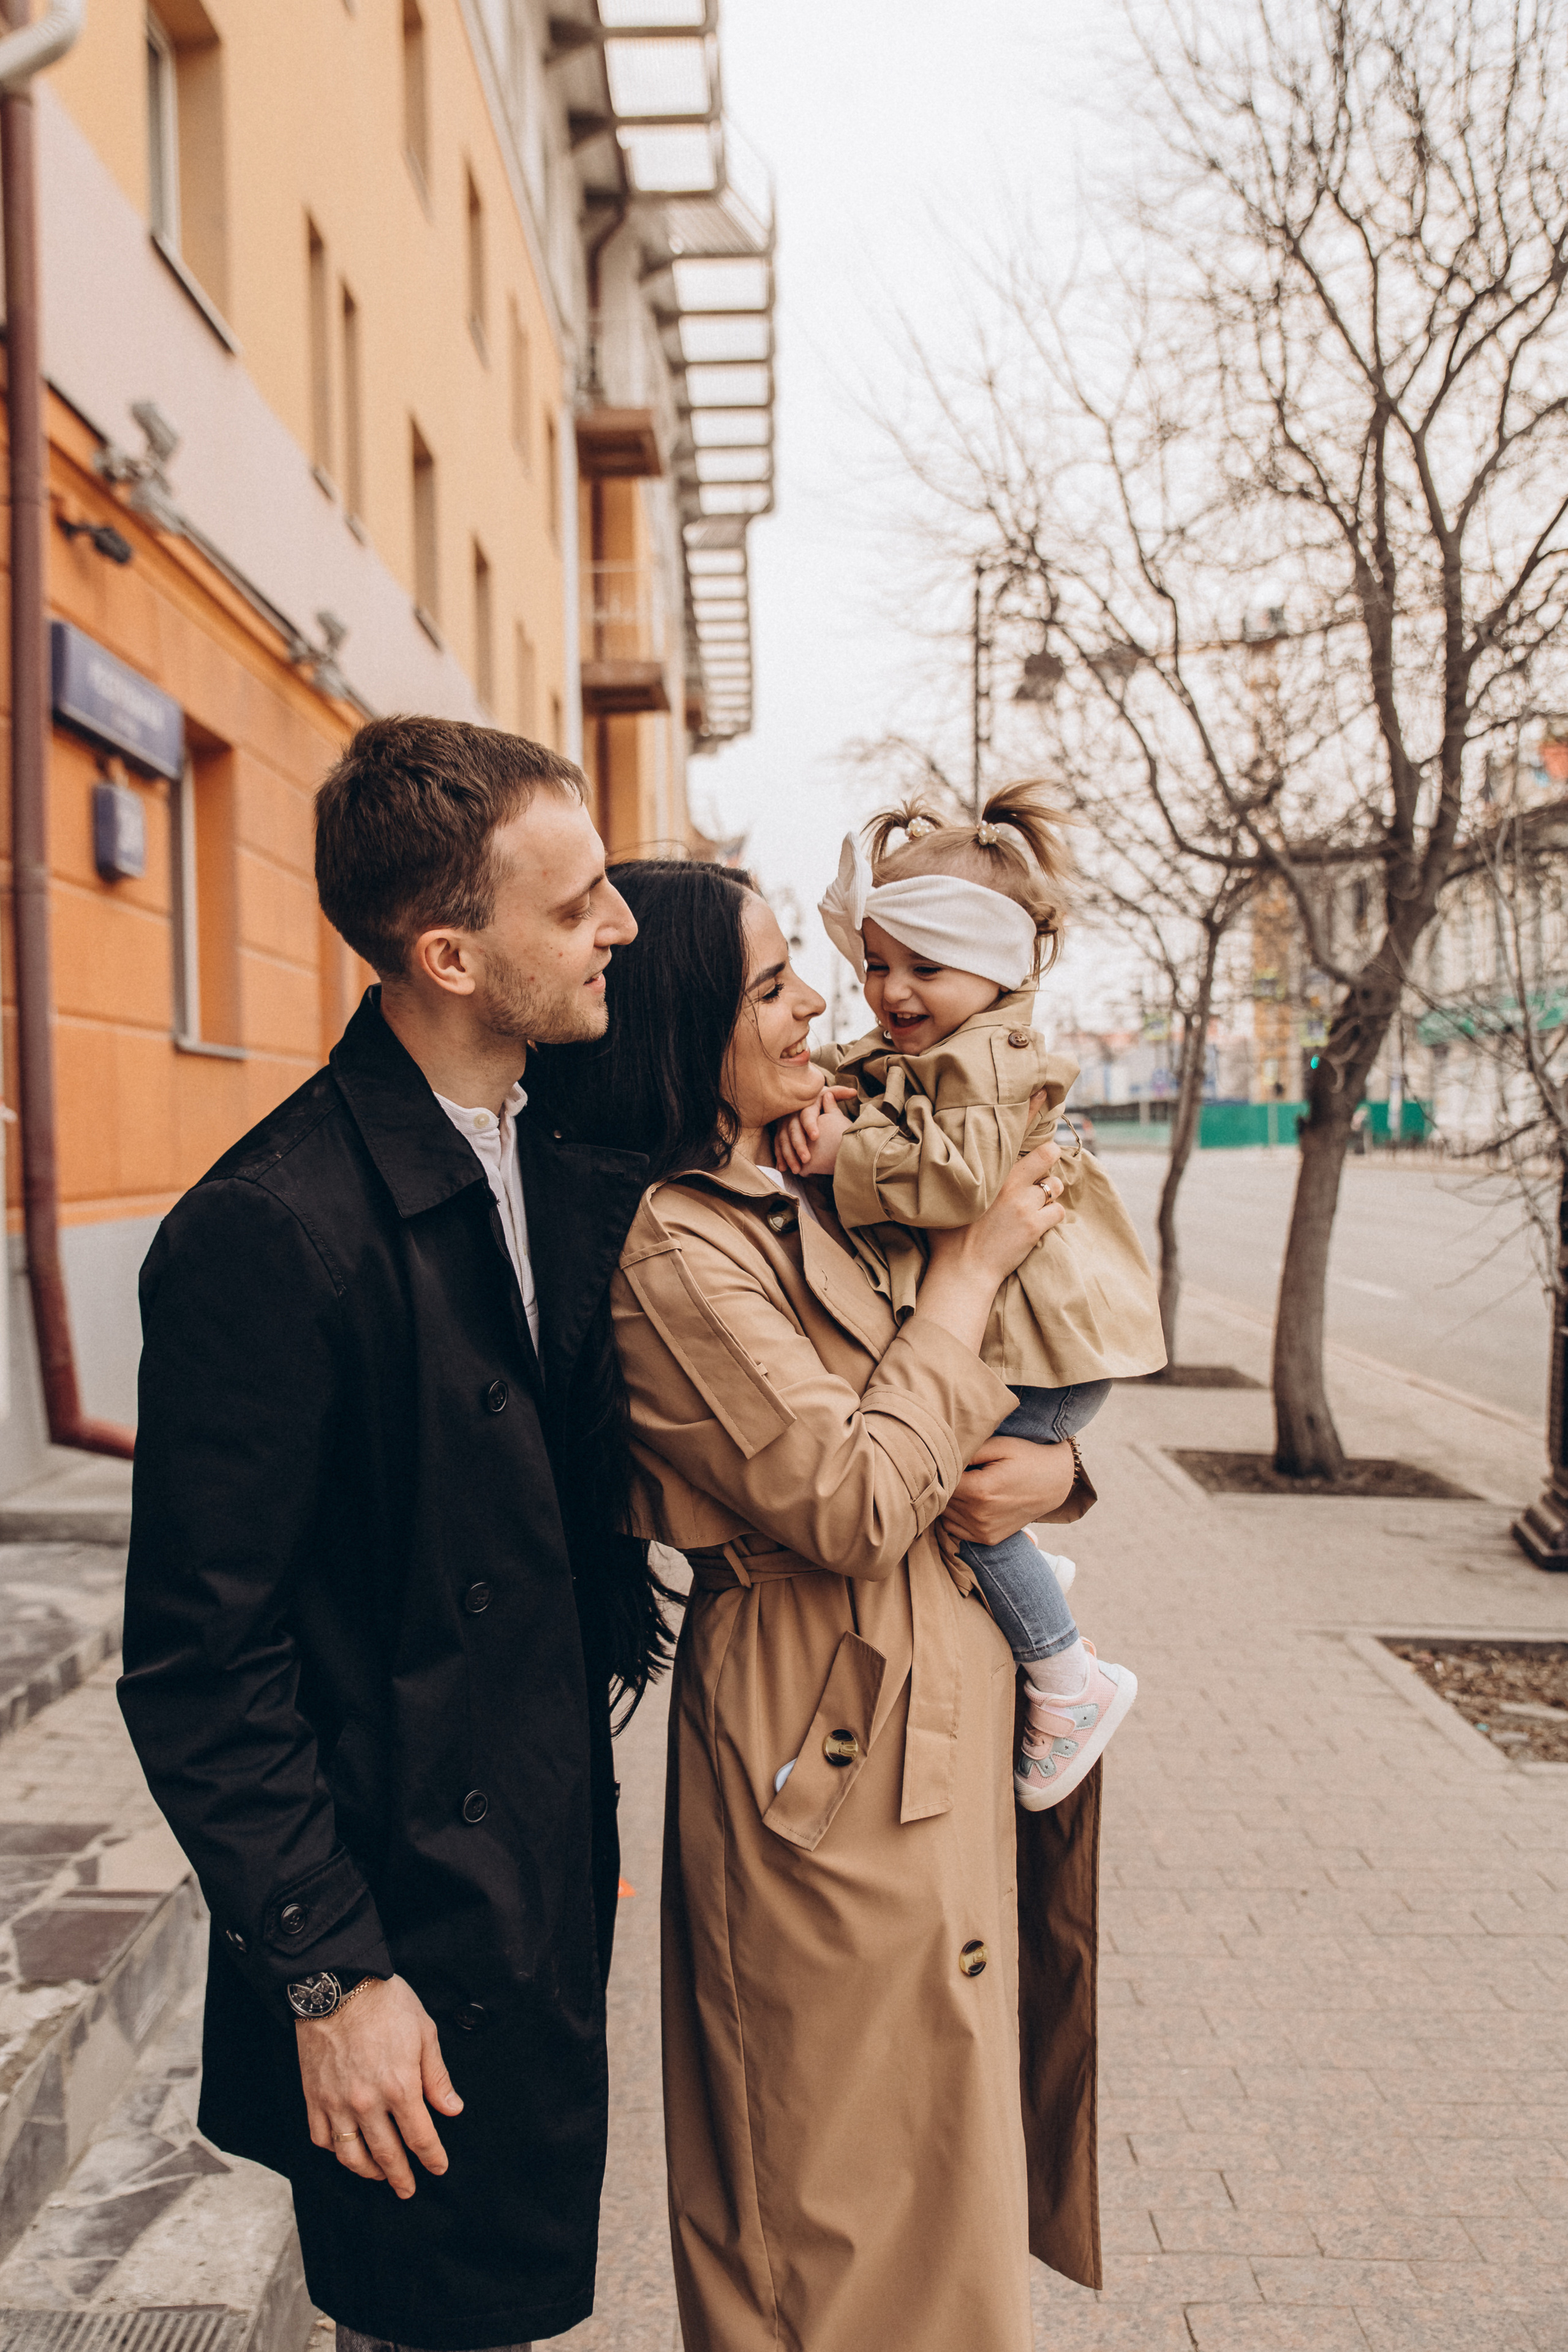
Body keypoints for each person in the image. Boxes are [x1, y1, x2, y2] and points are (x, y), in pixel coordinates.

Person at [119, 718, 666, 2352]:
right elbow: (204, 1665)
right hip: (402, 1941)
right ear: (448, 953)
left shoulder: (550, 1147)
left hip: (536, 1893)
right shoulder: (271, 1232)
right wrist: (329, 1977)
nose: (616, 927)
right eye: (575, 908)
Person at [534, 859, 1104, 2352]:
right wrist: (974, 1271)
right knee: (834, 2208)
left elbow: (957, 1428)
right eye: (775, 985)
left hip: (925, 1708)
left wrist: (1053, 1476)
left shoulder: (785, 1182)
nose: (820, 1008)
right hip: (823, 1737)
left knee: (939, 2173)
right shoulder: (673, 1245)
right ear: (680, 1029)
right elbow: (851, 1497)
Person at [776, 788, 1164, 1808]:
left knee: (956, 1497)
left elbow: (956, 1184)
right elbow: (860, 1064)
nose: (890, 993)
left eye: (923, 969)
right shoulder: (939, 1042)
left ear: (992, 971)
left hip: (1053, 1348)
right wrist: (810, 1080)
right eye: (876, 964)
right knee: (969, 1496)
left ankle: (1070, 1680)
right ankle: (1024, 1568)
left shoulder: (988, 1062)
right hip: (1029, 1341)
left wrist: (841, 1152)